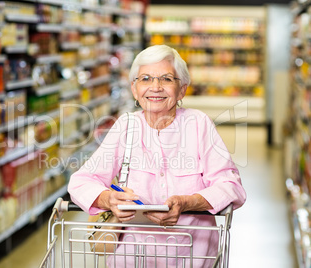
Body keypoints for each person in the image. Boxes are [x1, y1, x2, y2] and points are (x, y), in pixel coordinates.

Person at [68, 44, 246, 267]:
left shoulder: (198, 124)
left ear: (182, 89)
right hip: (131, 259)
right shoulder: (127, 126)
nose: (155, 87)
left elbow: (230, 186)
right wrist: (108, 199)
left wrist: (187, 202)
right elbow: (81, 181)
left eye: (166, 79)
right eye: (145, 79)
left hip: (191, 257)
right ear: (134, 89)